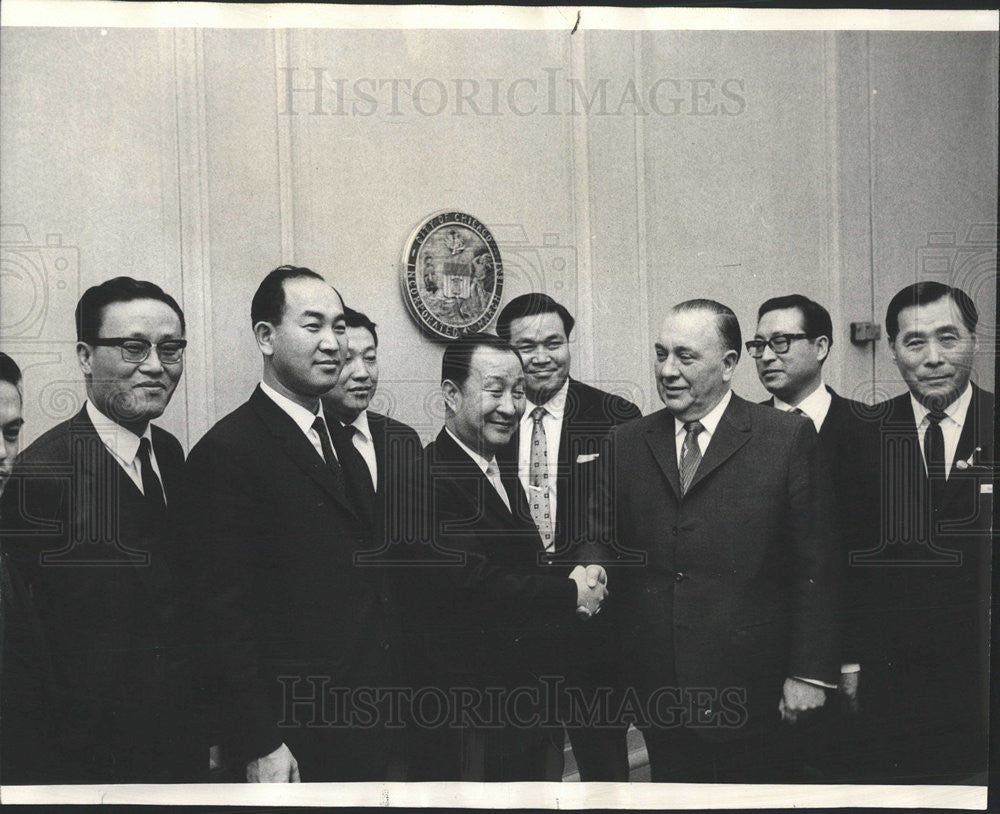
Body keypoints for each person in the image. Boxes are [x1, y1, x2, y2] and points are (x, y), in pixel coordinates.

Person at [588, 299, 841, 782]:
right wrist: (592, 568)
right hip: (660, 693)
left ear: (728, 365)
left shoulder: (785, 438)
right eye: (661, 354)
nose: (667, 370)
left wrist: (809, 672)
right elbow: (599, 536)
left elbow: (817, 565)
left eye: (685, 357)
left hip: (754, 694)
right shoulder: (625, 442)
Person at [177, 266, 402, 782]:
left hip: (370, 723)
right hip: (294, 739)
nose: (333, 344)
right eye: (313, 326)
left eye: (340, 326)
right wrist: (259, 741)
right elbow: (221, 619)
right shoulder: (228, 451)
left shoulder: (342, 437)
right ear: (265, 337)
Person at [0, 278, 198, 783]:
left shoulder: (172, 454)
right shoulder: (40, 475)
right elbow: (27, 654)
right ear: (86, 356)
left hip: (183, 750)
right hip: (91, 765)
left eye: (170, 348)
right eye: (133, 347)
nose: (155, 366)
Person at [405, 332, 608, 781]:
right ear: (451, 395)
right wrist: (571, 590)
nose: (510, 406)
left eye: (517, 392)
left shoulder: (494, 465)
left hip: (523, 712)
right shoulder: (426, 477)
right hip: (473, 724)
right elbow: (473, 587)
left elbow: (515, 564)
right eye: (494, 390)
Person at [495, 293, 641, 780]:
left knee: (604, 772)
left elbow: (631, 519)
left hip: (594, 630)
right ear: (507, 351)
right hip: (518, 625)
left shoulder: (616, 416)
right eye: (526, 346)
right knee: (526, 771)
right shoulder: (493, 419)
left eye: (553, 343)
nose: (541, 357)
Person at [855, 282, 992, 783]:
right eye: (915, 342)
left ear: (974, 341)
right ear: (893, 349)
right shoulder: (861, 433)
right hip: (889, 686)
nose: (933, 358)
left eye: (949, 338)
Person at [749, 294, 881, 779]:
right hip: (757, 662)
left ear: (822, 346)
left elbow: (869, 563)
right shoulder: (742, 431)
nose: (766, 355)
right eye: (758, 344)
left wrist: (849, 659)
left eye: (781, 342)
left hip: (839, 663)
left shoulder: (869, 433)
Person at [321, 306, 422, 563]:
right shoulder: (310, 439)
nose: (363, 373)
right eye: (346, 360)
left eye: (370, 358)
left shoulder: (403, 439)